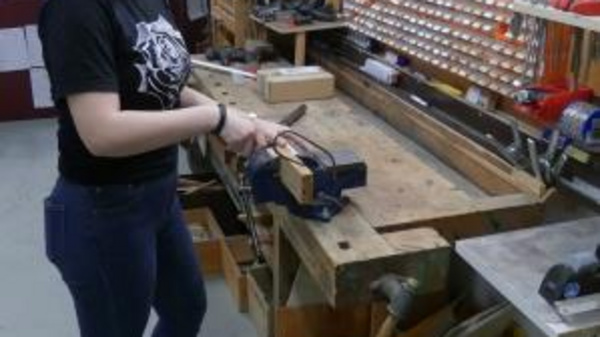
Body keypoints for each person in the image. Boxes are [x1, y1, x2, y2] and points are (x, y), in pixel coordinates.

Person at [38, 0, 287, 335]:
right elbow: (102, 133)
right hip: (103, 211)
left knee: (186, 309)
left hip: (160, 198)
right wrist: (214, 119)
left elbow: (161, 82)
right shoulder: (75, 9)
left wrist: (238, 118)